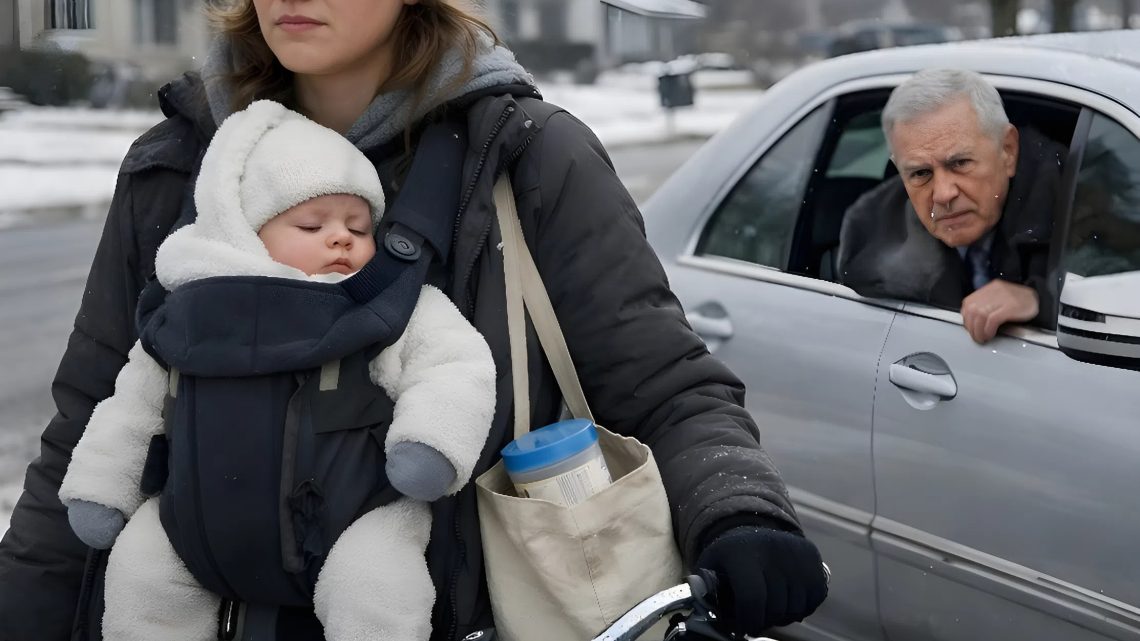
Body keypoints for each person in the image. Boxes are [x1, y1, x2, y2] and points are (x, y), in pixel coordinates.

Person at [0, 1, 830, 640]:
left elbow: (663, 384)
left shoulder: (527, 157)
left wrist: (739, 511)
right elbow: (90, 421)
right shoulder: (177, 166)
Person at [55, 99, 497, 641]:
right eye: (312, 223)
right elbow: (131, 408)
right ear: (245, 231)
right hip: (194, 527)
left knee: (377, 589)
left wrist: (430, 442)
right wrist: (103, 486)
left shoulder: (386, 309)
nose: (341, 237)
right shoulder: (188, 313)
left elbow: (453, 363)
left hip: (353, 523)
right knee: (142, 577)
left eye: (358, 226)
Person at [837, 68, 1067, 343]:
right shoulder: (870, 233)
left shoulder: (1077, 200)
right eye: (921, 173)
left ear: (1008, 150)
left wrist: (1042, 300)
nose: (943, 194)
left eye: (960, 163)